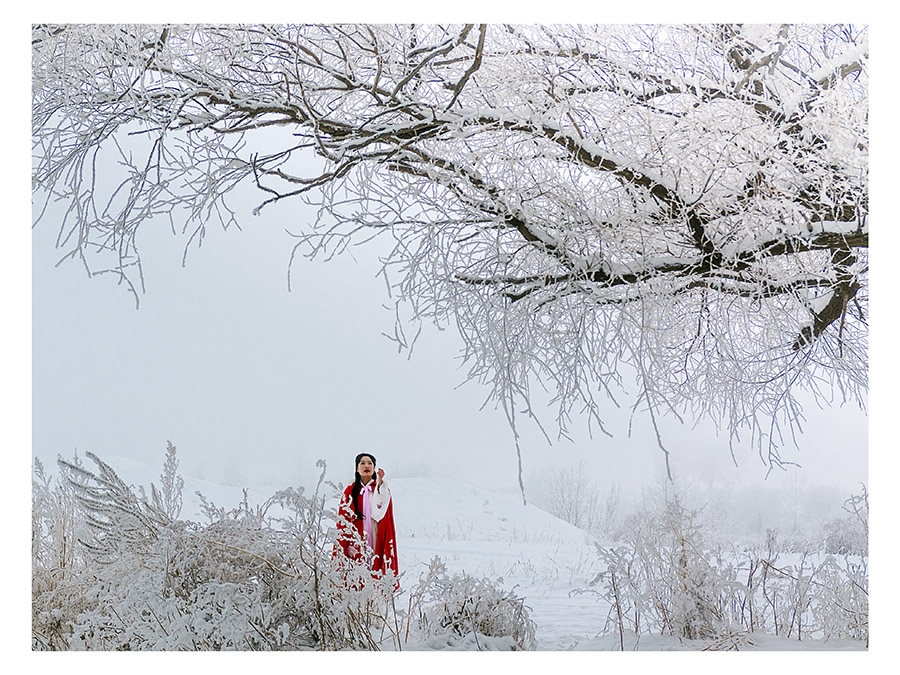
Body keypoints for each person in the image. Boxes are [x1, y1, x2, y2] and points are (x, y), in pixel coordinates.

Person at [335, 452, 398, 579]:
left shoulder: (380, 489)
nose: (366, 466)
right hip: (356, 537)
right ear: (357, 468)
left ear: (374, 468)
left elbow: (379, 514)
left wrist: (380, 486)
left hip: (375, 533)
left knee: (376, 564)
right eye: (362, 463)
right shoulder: (349, 491)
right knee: (356, 571)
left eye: (370, 463)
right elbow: (343, 520)